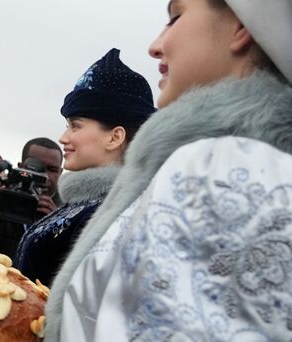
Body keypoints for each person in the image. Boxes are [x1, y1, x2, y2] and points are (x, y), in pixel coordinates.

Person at [45, 1, 292, 341]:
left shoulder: (217, 168)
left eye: (176, 17)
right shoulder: (251, 165)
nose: (155, 45)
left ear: (242, 27)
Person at [14, 48, 155, 287]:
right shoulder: (85, 204)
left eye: (75, 126)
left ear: (114, 137)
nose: (63, 137)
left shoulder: (115, 215)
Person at [0, 138, 63, 258]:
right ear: (21, 166)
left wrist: (55, 225)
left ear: (60, 172)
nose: (44, 175)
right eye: (36, 167)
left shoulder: (69, 210)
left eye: (52, 170)